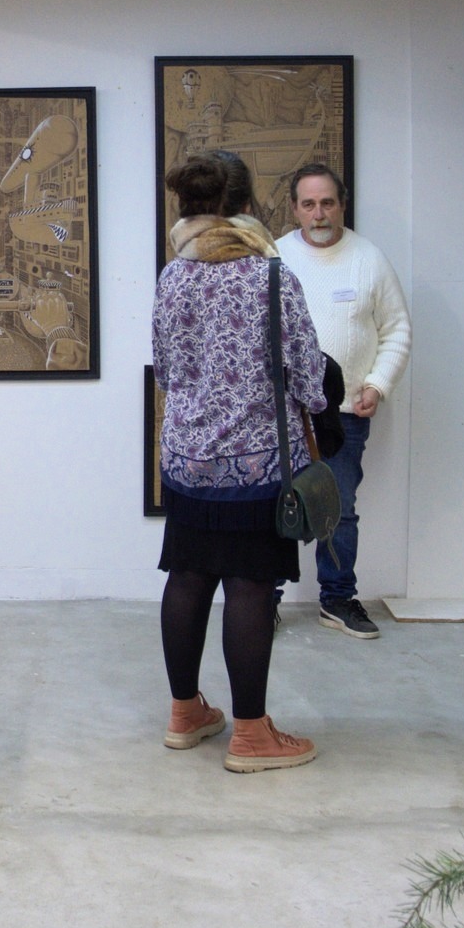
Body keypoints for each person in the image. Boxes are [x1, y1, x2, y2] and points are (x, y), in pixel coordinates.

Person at [152, 151, 326, 774]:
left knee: (188, 577)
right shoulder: (271, 277)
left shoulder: (173, 276)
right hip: (256, 466)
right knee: (250, 585)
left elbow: (166, 371)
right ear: (247, 206)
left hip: (187, 461)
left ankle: (185, 714)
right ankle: (251, 736)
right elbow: (308, 377)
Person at [273, 164, 411, 640]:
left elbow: (397, 330)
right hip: (282, 416)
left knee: (339, 508)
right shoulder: (275, 259)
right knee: (273, 506)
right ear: (295, 209)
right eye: (309, 204)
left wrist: (378, 384)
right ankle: (264, 598)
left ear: (342, 205)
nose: (319, 214)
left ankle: (336, 599)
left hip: (345, 414)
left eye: (327, 203)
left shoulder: (369, 259)